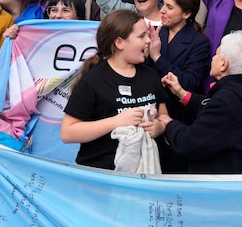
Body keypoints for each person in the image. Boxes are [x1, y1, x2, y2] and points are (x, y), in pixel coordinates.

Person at [61, 9, 168, 171]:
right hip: (101, 177)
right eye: (141, 36)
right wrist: (116, 122)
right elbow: (67, 133)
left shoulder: (151, 75)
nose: (148, 41)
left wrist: (160, 126)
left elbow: (164, 115)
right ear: (119, 43)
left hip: (144, 177)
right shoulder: (93, 80)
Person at [158, 31, 242, 174]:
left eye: (217, 54)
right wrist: (182, 94)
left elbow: (189, 144)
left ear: (223, 65)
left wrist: (168, 124)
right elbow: (212, 107)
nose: (213, 58)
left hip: (224, 186)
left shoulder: (226, 101)